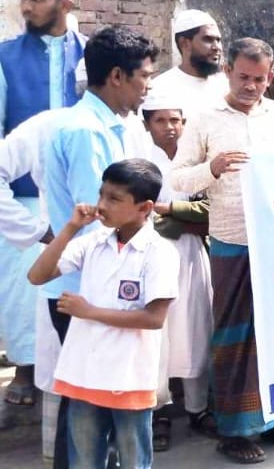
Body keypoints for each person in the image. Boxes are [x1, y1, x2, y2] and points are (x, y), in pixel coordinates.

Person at [168, 37, 274, 463]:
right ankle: (236, 431)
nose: (251, 86)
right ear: (228, 71)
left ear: (270, 77)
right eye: (244, 77)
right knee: (234, 335)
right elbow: (178, 178)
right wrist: (211, 169)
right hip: (230, 240)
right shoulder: (205, 117)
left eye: (260, 79)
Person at [40, 25, 157, 467]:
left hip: (102, 282)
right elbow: (102, 218)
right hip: (88, 286)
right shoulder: (86, 131)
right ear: (116, 76)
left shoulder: (114, 124)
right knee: (87, 407)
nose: (148, 86)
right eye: (144, 76)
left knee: (94, 400)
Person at [28, 159, 178, 469]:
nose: (102, 205)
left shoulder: (159, 252)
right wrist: (70, 228)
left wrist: (89, 312)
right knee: (84, 460)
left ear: (144, 208)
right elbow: (37, 275)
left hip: (129, 376)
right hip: (85, 372)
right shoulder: (93, 242)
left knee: (133, 459)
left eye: (114, 199)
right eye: (101, 194)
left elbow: (154, 318)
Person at [1, 0, 85, 408]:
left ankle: (75, 367)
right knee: (23, 285)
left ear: (64, 4)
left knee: (78, 280)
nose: (27, 7)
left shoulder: (91, 53)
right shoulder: (4, 56)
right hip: (23, 190)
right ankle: (26, 365)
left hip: (80, 190)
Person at [136, 95, 217, 451]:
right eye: (160, 120)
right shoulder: (139, 163)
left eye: (175, 120)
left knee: (195, 329)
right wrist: (175, 217)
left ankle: (198, 409)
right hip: (151, 256)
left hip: (191, 253)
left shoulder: (196, 161)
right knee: (160, 336)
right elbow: (139, 214)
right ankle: (159, 413)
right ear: (147, 125)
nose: (170, 127)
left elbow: (212, 208)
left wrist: (172, 213)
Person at [0, 108, 65, 410]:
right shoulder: (44, 124)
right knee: (24, 289)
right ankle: (25, 364)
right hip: (26, 196)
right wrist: (37, 230)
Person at [148, 10, 228, 127]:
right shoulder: (159, 89)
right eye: (208, 39)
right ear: (184, 43)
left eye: (218, 40)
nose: (217, 47)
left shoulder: (227, 86)